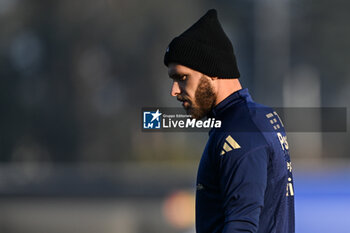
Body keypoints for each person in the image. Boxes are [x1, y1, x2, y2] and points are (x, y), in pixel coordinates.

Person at [163, 9, 295, 233]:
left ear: (213, 72)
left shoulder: (241, 132)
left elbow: (242, 226)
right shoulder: (252, 119)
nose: (174, 91)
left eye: (182, 78)